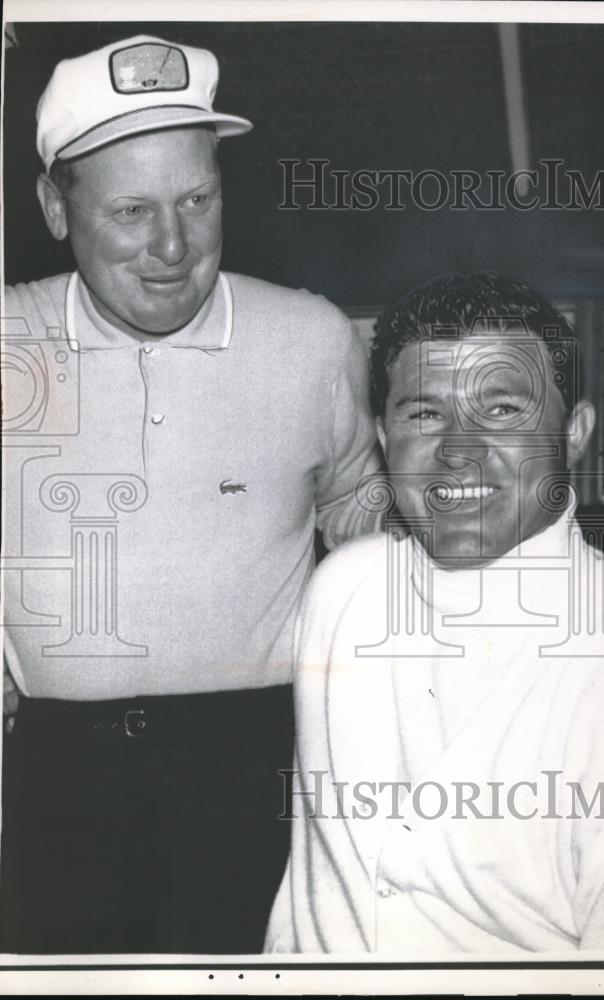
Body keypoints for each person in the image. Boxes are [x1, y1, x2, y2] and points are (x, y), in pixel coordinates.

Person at [1, 34, 383, 954]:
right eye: (131, 210)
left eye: (196, 200)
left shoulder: (312, 337)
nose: (173, 246)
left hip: (257, 764)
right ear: (58, 207)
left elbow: (357, 504)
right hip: (55, 774)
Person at [265, 272, 604, 956]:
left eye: (501, 410)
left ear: (575, 433)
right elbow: (307, 888)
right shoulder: (341, 592)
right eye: (424, 413)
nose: (457, 449)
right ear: (382, 436)